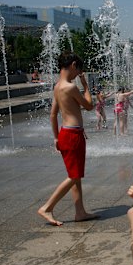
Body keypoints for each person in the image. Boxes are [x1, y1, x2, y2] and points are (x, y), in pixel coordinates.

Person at [37, 52, 98, 226]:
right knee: (74, 176)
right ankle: (47, 207)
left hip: (65, 133)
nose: (78, 75)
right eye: (78, 71)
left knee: (75, 175)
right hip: (73, 135)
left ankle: (80, 212)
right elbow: (88, 106)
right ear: (73, 65)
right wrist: (86, 86)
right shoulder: (70, 87)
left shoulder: (57, 87)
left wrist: (56, 137)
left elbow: (52, 114)